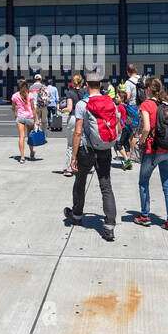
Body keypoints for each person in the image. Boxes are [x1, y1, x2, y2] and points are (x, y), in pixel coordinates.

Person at [65, 69, 118, 241]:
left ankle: (77, 215)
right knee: (106, 186)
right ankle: (109, 227)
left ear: (86, 85)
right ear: (100, 85)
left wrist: (73, 156)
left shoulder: (82, 104)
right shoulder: (109, 101)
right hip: (104, 148)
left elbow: (78, 132)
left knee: (80, 181)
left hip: (86, 150)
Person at [133, 77, 168, 231]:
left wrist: (142, 140)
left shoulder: (147, 104)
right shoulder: (167, 104)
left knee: (143, 183)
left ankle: (145, 216)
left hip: (152, 151)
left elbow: (146, 127)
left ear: (147, 89)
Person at [60, 74, 84, 176]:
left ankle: (69, 168)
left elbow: (69, 108)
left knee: (71, 144)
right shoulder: (85, 92)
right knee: (82, 143)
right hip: (83, 119)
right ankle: (82, 166)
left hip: (73, 118)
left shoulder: (70, 93)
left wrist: (60, 109)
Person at [10, 78, 38, 162]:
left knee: (21, 137)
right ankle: (31, 153)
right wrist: (36, 119)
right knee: (30, 136)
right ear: (27, 86)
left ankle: (22, 157)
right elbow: (33, 108)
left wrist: (15, 115)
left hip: (20, 117)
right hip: (29, 117)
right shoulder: (30, 95)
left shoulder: (15, 95)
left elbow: (13, 107)